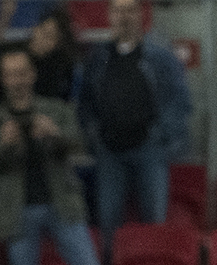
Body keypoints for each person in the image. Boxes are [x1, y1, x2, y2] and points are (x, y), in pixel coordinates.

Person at [0, 46, 104, 265]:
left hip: (63, 203)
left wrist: (54, 135)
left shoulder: (56, 109)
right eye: (11, 75)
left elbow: (80, 150)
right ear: (3, 79)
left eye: (22, 73)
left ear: (32, 74)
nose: (17, 81)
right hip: (17, 210)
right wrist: (4, 145)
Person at [77, 0, 191, 242]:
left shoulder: (161, 57)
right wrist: (94, 136)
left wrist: (162, 136)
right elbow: (86, 103)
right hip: (109, 152)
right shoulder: (98, 58)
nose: (124, 16)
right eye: (118, 11)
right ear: (110, 15)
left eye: (130, 10)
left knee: (154, 223)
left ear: (140, 15)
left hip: (149, 150)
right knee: (108, 225)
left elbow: (179, 100)